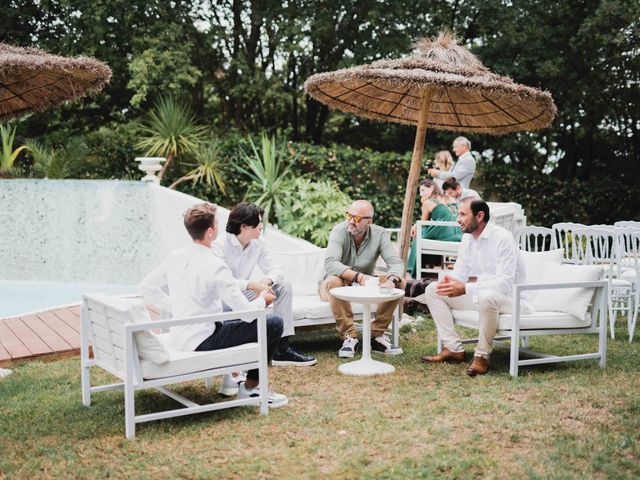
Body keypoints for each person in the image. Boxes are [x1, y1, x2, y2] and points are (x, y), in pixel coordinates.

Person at [139, 203, 288, 407]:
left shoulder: (177, 256)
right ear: (210, 231)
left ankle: (234, 377)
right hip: (203, 339)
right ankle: (251, 388)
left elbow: (146, 287)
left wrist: (177, 309)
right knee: (273, 323)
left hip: (181, 335)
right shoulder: (214, 264)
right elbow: (247, 314)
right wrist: (263, 299)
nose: (220, 228)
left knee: (231, 320)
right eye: (217, 224)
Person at [420, 199, 528, 376]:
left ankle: (482, 356)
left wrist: (465, 288)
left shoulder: (502, 238)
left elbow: (505, 282)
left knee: (487, 297)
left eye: (463, 214)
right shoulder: (467, 239)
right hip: (484, 296)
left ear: (479, 216)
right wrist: (450, 281)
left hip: (512, 299)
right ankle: (454, 349)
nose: (458, 219)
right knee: (433, 290)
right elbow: (460, 273)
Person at [214, 202, 317, 367]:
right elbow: (222, 282)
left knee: (283, 286)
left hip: (245, 294)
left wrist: (266, 281)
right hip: (223, 298)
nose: (261, 226)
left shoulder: (258, 242)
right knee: (228, 302)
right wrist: (251, 285)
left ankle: (281, 349)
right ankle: (235, 352)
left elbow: (277, 270)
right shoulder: (219, 245)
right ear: (244, 227)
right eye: (258, 223)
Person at [320, 200, 405, 358]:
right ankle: (349, 337)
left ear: (369, 221)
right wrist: (359, 277)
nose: (351, 221)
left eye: (357, 218)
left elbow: (396, 263)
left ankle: (376, 336)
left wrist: (391, 279)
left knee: (399, 282)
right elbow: (330, 263)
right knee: (333, 282)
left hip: (364, 285)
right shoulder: (339, 231)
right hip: (337, 281)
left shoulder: (379, 234)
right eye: (349, 216)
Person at [407, 179, 462, 278]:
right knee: (421, 231)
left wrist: (415, 225)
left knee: (420, 232)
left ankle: (413, 268)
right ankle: (429, 263)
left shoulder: (428, 202)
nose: (420, 194)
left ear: (431, 188)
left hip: (445, 234)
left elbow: (423, 222)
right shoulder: (449, 198)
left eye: (423, 190)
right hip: (457, 233)